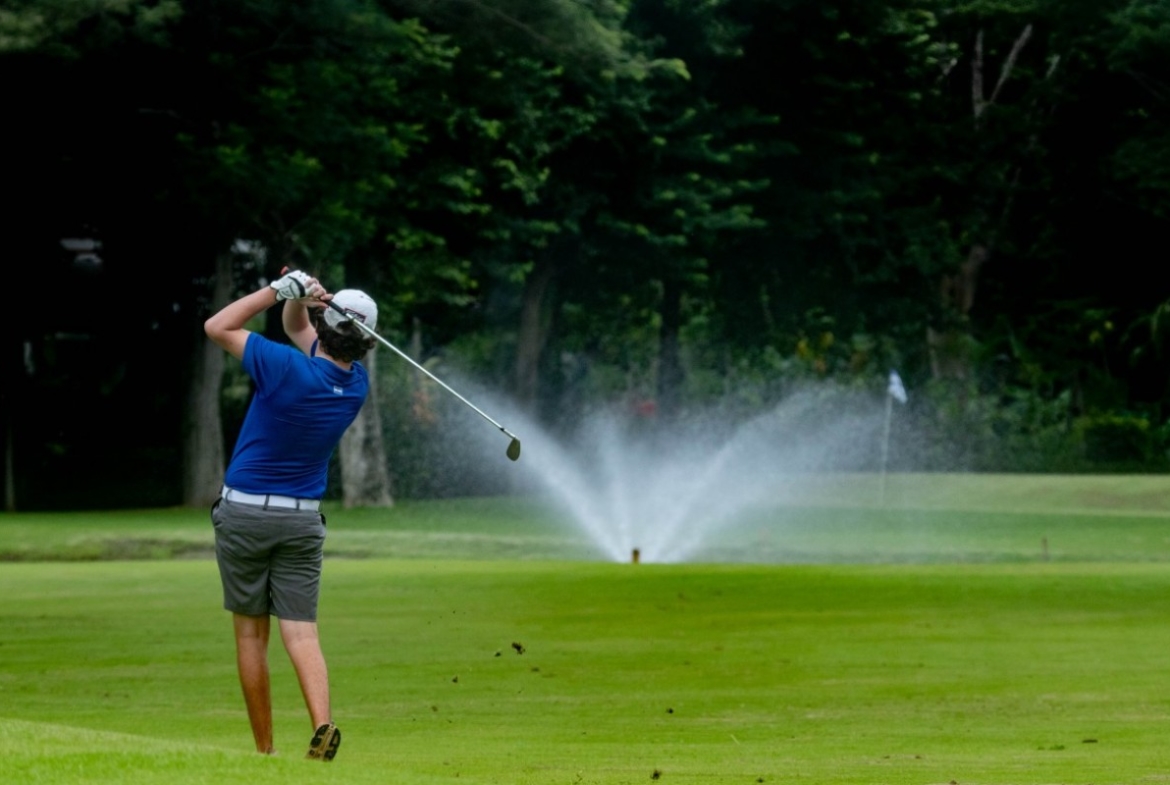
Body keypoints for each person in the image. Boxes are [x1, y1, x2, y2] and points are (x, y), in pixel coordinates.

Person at [203, 269, 378, 761]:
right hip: (302, 522)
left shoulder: (281, 365)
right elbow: (300, 329)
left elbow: (217, 326)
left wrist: (280, 291)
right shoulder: (355, 384)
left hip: (246, 514)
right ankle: (322, 723)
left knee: (250, 633)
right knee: (300, 631)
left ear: (327, 325)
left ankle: (265, 751)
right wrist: (302, 301)